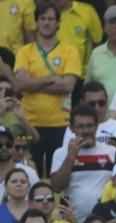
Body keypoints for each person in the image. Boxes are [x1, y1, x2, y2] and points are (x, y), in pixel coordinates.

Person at [14, 3, 81, 174]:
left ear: (58, 23)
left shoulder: (70, 51)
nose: (46, 23)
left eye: (51, 19)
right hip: (30, 123)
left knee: (56, 174)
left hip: (60, 123)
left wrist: (33, 83)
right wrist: (51, 79)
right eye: (42, 18)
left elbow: (68, 85)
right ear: (36, 22)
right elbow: (20, 85)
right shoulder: (25, 51)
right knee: (28, 173)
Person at [49, 105, 116, 218]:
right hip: (73, 219)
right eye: (80, 126)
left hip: (106, 219)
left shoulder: (112, 152)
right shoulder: (60, 153)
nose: (85, 131)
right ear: (71, 128)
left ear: (97, 126)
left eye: (90, 126)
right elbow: (56, 187)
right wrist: (71, 156)